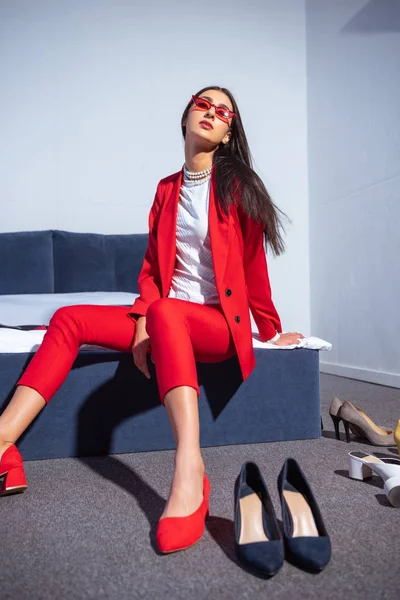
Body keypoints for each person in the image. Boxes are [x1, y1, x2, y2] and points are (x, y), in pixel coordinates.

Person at [0, 86, 304, 553]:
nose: (212, 113)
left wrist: (270, 330)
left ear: (227, 135)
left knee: (165, 312)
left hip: (214, 325)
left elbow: (252, 271)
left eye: (223, 112)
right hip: (164, 313)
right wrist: (144, 316)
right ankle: (3, 443)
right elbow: (153, 271)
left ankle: (189, 469)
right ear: (185, 118)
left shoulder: (239, 188)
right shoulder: (167, 188)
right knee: (68, 319)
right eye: (203, 104)